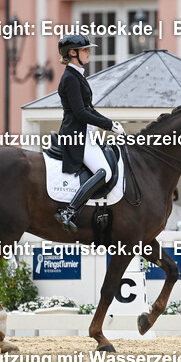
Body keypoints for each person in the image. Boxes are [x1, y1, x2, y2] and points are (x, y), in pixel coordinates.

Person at [53, 34, 125, 230]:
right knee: (105, 172)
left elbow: (89, 109)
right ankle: (69, 211)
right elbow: (80, 113)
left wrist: (111, 124)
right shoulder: (70, 77)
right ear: (72, 53)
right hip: (76, 136)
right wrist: (108, 125)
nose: (89, 52)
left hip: (87, 134)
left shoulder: (77, 75)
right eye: (85, 50)